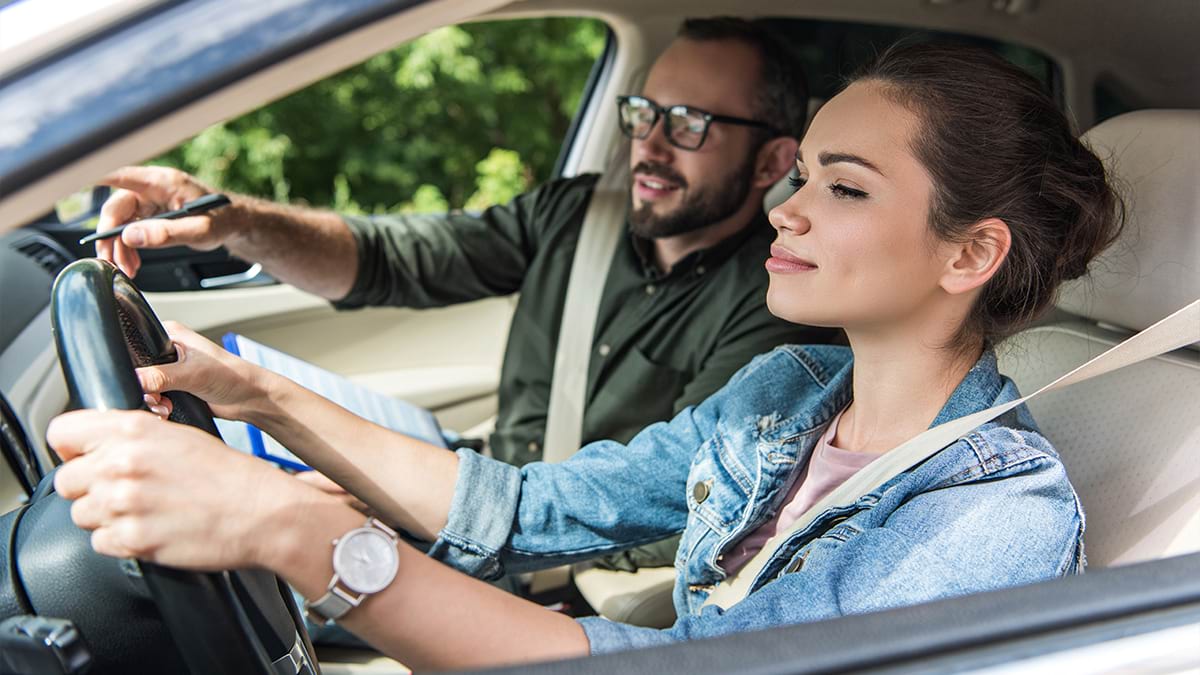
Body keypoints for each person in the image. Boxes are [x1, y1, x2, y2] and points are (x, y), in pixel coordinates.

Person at [48, 41, 1124, 670]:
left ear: (970, 254)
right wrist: (256, 395)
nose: (787, 212)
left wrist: (301, 535)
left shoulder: (990, 523)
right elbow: (523, 508)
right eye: (806, 179)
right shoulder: (787, 397)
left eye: (843, 187)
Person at [93, 18, 838, 573]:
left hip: (558, 565)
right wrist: (232, 220)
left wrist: (405, 517)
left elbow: (676, 509)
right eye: (644, 114)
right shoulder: (578, 213)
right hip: (480, 495)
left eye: (690, 125)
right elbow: (391, 260)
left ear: (774, 157)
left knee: (181, 566)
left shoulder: (779, 307)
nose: (649, 145)